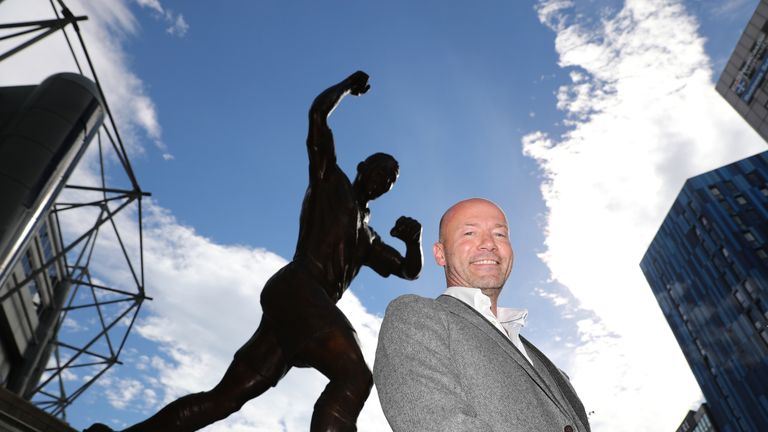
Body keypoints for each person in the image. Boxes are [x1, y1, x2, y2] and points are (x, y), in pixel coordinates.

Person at [86, 71, 423, 432]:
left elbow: (408, 270)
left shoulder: (368, 238)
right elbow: (317, 117)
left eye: (392, 179)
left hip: (300, 309)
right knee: (355, 376)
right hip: (299, 289)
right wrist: (345, 86)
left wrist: (413, 239)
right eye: (382, 170)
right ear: (363, 168)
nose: (384, 180)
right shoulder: (330, 181)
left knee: (226, 398)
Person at [374, 198, 590, 432]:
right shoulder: (415, 317)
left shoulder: (551, 368)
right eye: (469, 233)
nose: (488, 243)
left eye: (500, 234)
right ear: (440, 254)